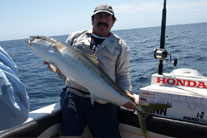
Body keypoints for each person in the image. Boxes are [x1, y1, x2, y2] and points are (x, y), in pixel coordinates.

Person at [45, 4, 138, 138]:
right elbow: (66, 68)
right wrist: (56, 69)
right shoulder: (75, 37)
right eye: (99, 16)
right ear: (92, 19)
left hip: (104, 101)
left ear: (113, 22)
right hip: (74, 97)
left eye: (107, 17)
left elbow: (122, 74)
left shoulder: (120, 45)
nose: (103, 20)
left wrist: (127, 93)